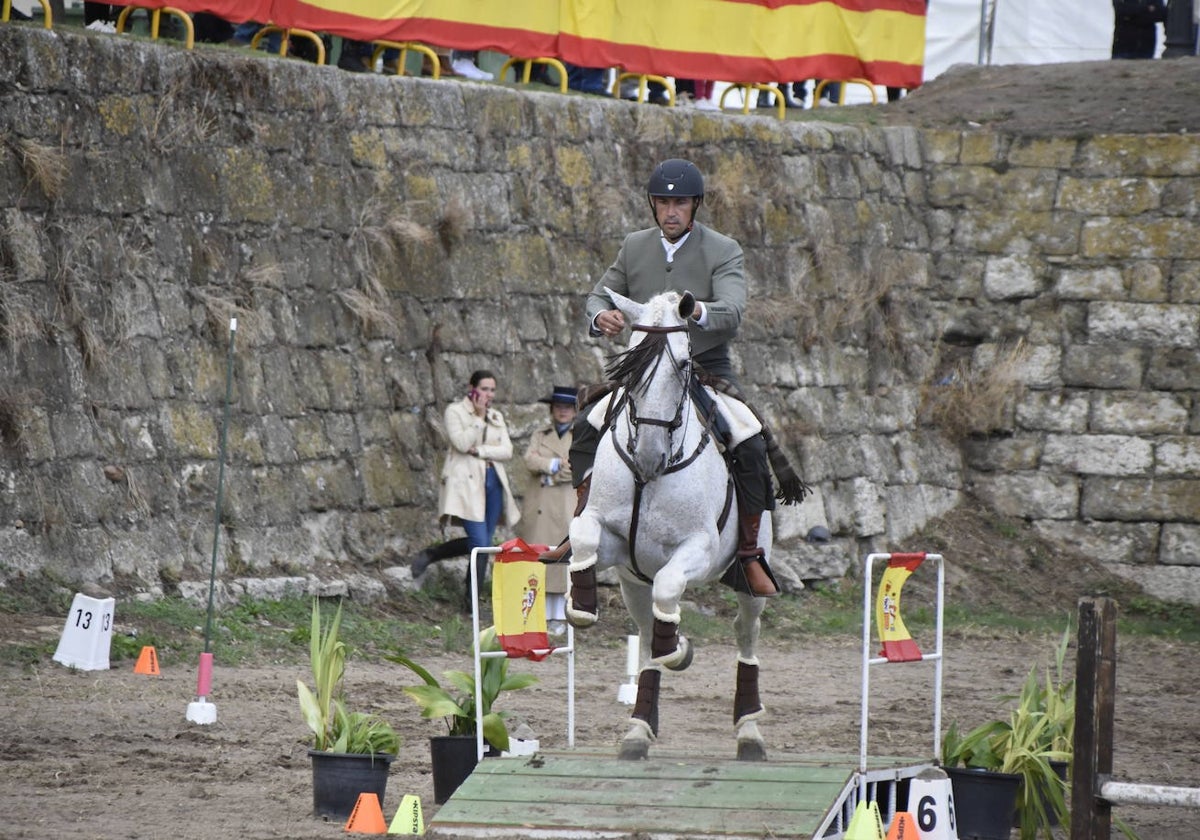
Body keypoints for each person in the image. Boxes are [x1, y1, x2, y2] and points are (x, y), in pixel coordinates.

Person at [545, 158, 797, 608]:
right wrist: (600, 315)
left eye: (680, 202)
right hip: (644, 368)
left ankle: (749, 551)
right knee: (586, 425)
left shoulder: (723, 249)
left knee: (751, 441)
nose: (671, 211)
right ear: (653, 205)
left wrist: (696, 311)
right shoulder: (634, 245)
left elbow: (734, 310)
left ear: (695, 205)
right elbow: (600, 294)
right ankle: (582, 524)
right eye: (663, 202)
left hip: (705, 367)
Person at [416, 370, 520, 604]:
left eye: (492, 390)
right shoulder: (455, 412)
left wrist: (481, 451)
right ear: (472, 388)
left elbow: (507, 451)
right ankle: (435, 556)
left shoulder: (496, 416)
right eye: (484, 389)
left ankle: (470, 600)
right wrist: (476, 418)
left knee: (483, 543)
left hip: (493, 481)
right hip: (466, 485)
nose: (488, 394)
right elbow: (462, 444)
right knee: (481, 543)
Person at [518, 385, 578, 547]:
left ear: (575, 411)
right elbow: (529, 460)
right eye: (558, 406)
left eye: (567, 407)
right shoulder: (540, 433)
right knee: (536, 558)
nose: (563, 411)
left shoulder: (580, 436)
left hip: (565, 506)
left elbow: (575, 470)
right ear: (552, 409)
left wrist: (546, 474)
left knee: (561, 559)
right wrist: (556, 463)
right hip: (539, 505)